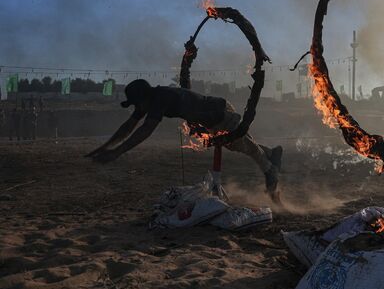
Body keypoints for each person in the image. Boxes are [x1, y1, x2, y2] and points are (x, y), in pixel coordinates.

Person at [86, 79, 283, 201]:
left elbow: (145, 130)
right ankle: (272, 153)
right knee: (239, 145)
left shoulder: (159, 99)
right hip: (211, 116)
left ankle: (270, 170)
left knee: (240, 144)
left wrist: (117, 152)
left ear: (143, 98)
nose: (138, 108)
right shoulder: (151, 98)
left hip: (217, 114)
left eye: (137, 104)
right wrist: (104, 148)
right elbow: (128, 126)